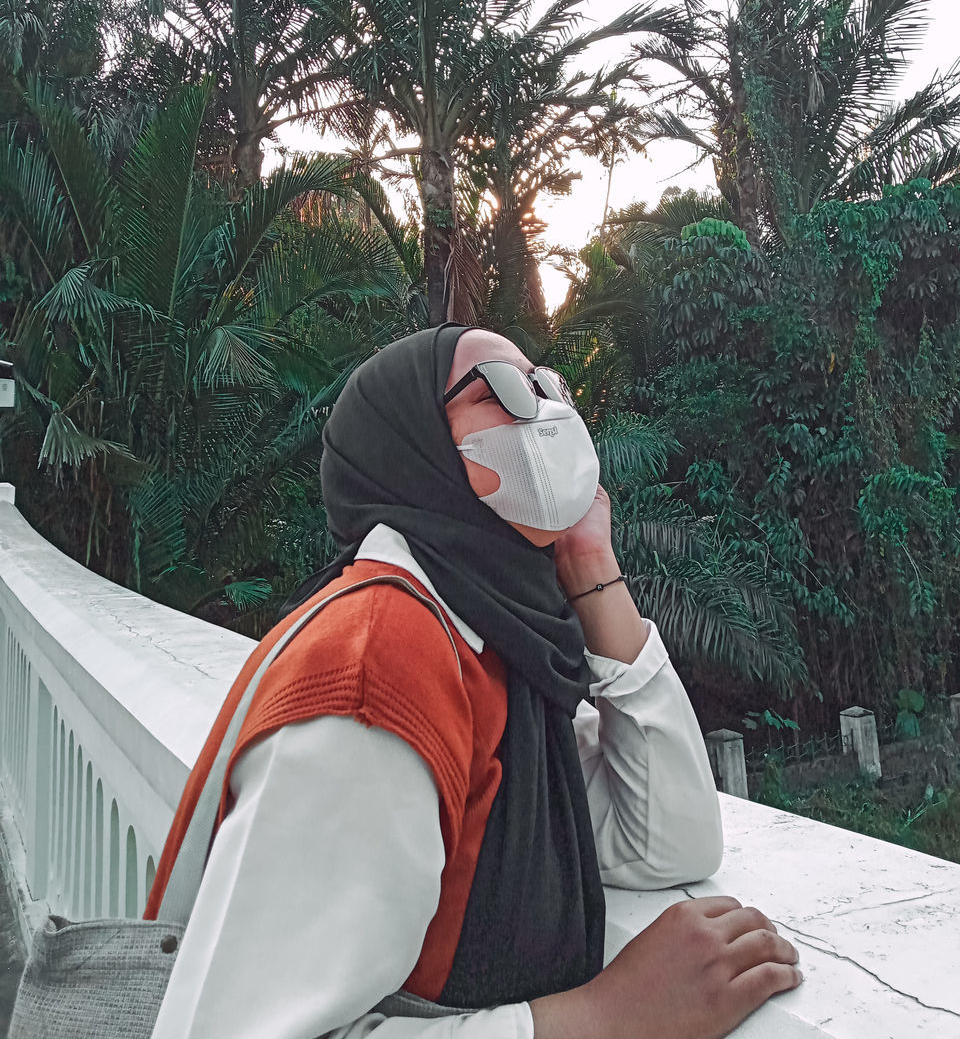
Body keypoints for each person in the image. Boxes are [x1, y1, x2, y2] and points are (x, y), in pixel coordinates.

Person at [146, 324, 801, 1039]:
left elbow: (668, 840)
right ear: (413, 447)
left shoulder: (490, 641)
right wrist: (605, 1018)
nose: (551, 415)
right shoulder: (378, 663)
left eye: (553, 388)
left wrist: (589, 568)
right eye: (509, 392)